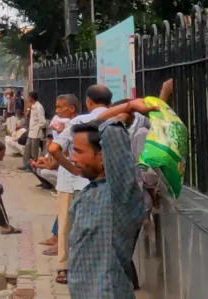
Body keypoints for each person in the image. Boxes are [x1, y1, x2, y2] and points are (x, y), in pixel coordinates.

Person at [65, 99, 158, 298]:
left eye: (79, 152)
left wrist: (128, 109)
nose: (73, 158)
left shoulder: (120, 195)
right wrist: (126, 108)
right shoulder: (89, 193)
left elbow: (110, 131)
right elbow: (97, 127)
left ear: (103, 156)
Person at [47, 86, 111, 285]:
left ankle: (64, 268)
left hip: (69, 182)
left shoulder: (77, 122)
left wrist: (72, 168)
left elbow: (54, 148)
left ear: (88, 102)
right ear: (109, 101)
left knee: (66, 225)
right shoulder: (115, 120)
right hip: (100, 182)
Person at [24, 91, 46, 171]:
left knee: (34, 150)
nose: (27, 98)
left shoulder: (38, 107)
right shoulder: (32, 106)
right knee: (27, 148)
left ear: (32, 98)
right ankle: (26, 165)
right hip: (31, 131)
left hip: (36, 131)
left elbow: (42, 121)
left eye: (29, 97)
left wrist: (42, 129)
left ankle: (33, 166)